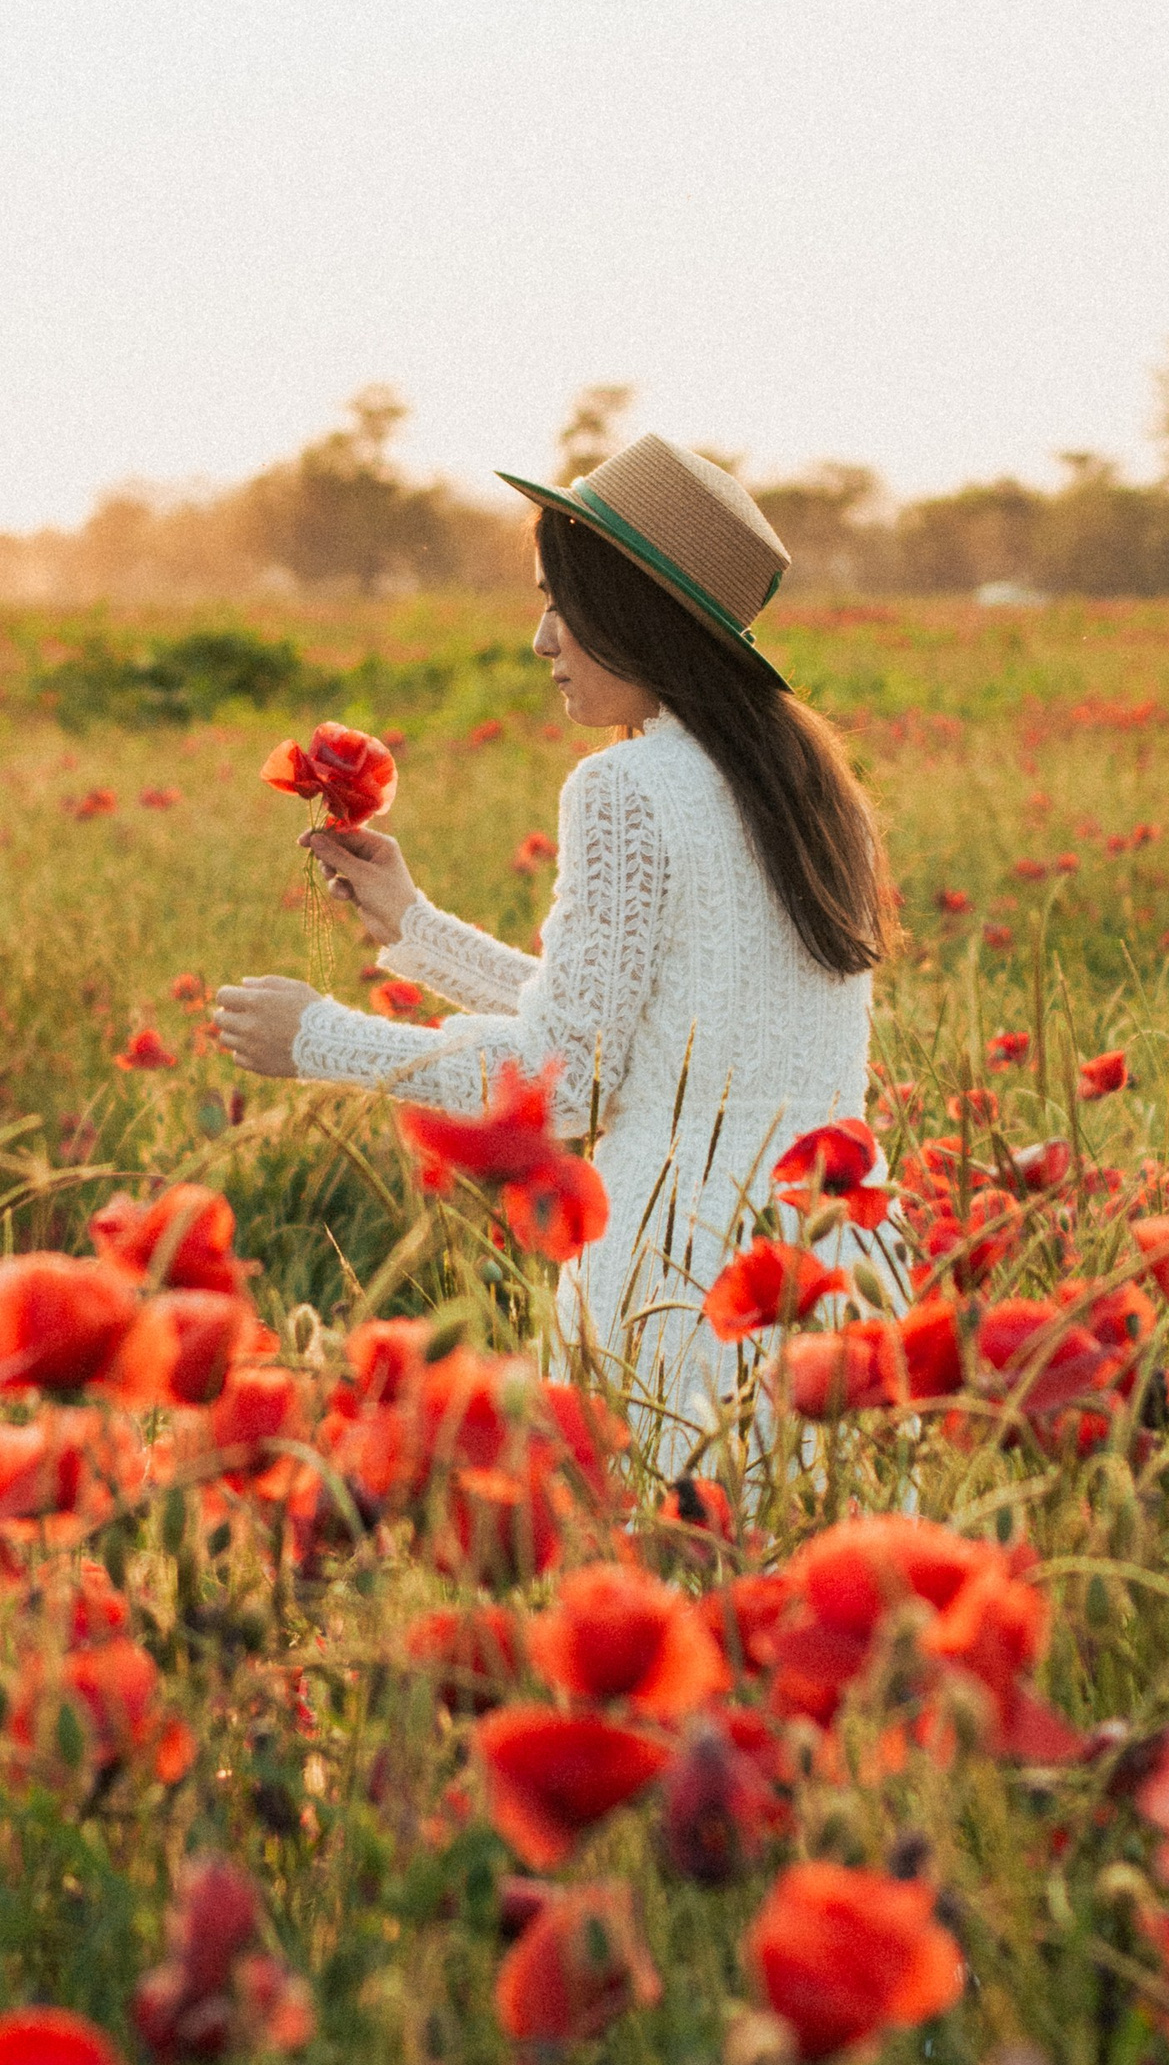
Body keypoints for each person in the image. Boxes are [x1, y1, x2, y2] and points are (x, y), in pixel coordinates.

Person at [212, 433, 888, 1422]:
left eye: (558, 603)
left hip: (680, 1286)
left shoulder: (624, 783)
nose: (541, 640)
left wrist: (318, 1036)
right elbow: (651, 1030)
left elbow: (570, 1080)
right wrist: (414, 925)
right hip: (830, 1275)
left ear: (634, 614)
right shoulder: (807, 784)